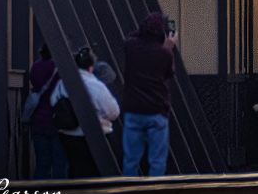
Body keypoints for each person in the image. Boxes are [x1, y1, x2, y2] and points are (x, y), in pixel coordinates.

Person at [52, 47, 120, 178]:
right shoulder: (95, 85)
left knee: (76, 171)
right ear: (91, 67)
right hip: (96, 135)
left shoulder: (63, 83)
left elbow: (53, 101)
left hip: (68, 134)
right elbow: (113, 111)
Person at [121, 12, 176, 176]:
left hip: (133, 109)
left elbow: (129, 40)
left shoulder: (130, 47)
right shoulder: (165, 53)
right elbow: (168, 75)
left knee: (130, 160)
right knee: (157, 161)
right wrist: (168, 47)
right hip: (156, 109)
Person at [26, 44, 67, 179]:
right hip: (57, 120)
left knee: (42, 162)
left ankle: (39, 193)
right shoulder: (60, 68)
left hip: (38, 119)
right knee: (59, 162)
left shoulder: (36, 67)